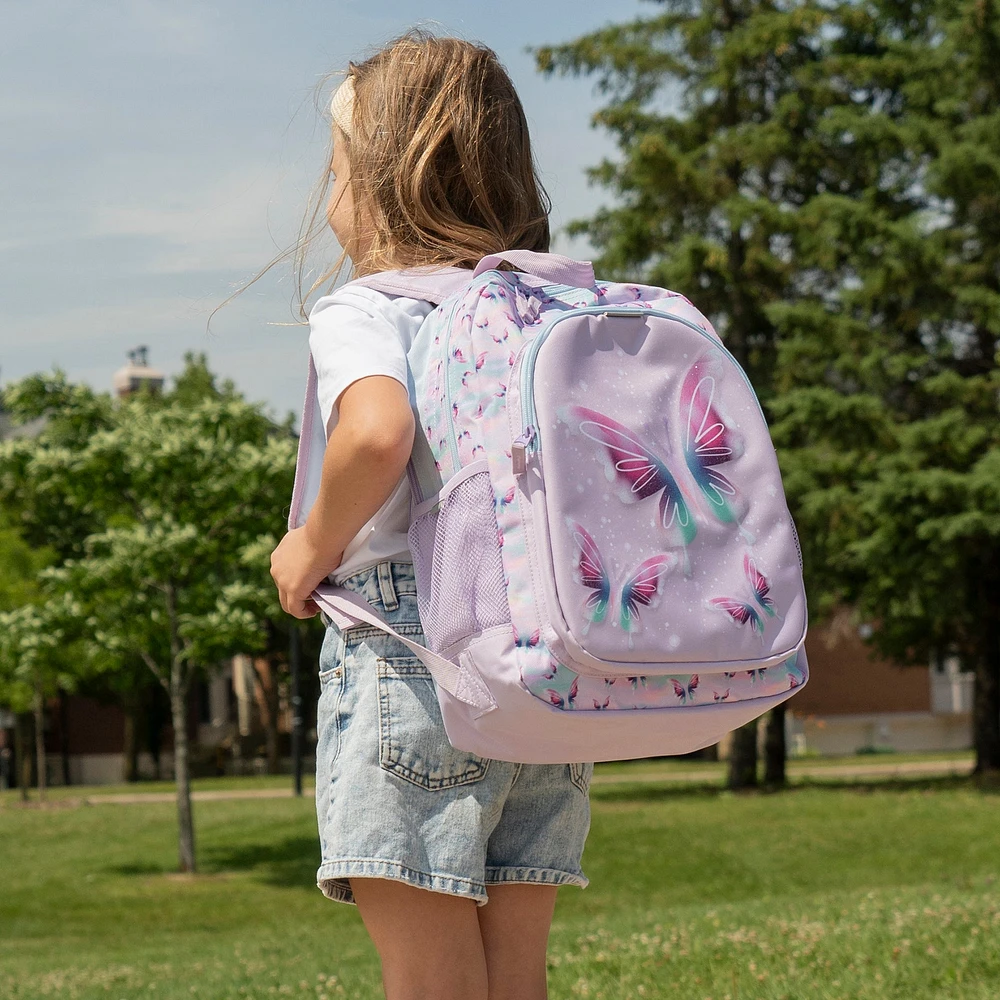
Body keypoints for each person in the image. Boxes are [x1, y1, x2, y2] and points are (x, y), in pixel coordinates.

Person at [269, 32, 591, 1000]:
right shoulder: (546, 303)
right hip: (544, 663)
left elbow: (376, 434)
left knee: (430, 975)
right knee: (513, 973)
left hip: (411, 650)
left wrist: (308, 547)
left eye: (334, 170)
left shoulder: (368, 306)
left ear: (376, 181)